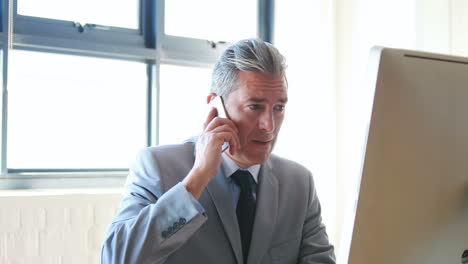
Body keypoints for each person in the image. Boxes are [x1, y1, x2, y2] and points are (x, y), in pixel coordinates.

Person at [101, 38, 335, 264]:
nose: (269, 125)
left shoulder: (299, 182)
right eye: (255, 106)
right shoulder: (158, 167)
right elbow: (117, 258)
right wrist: (196, 179)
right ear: (216, 105)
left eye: (278, 107)